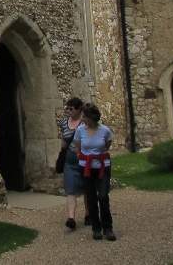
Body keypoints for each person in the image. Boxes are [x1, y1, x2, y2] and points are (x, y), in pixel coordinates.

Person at [74, 103, 116, 242]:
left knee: (103, 196)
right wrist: (85, 157)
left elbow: (106, 146)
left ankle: (108, 228)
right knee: (91, 198)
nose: (83, 119)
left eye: (84, 116)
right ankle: (96, 228)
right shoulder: (80, 130)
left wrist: (97, 155)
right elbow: (79, 148)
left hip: (102, 167)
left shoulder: (105, 130)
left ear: (91, 117)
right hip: (86, 168)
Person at [57, 96, 87, 231]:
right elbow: (64, 139)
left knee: (87, 188)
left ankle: (88, 214)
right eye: (67, 108)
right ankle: (71, 218)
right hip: (69, 160)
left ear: (79, 109)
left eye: (71, 108)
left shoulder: (85, 122)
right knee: (70, 189)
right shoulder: (64, 122)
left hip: (84, 159)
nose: (68, 111)